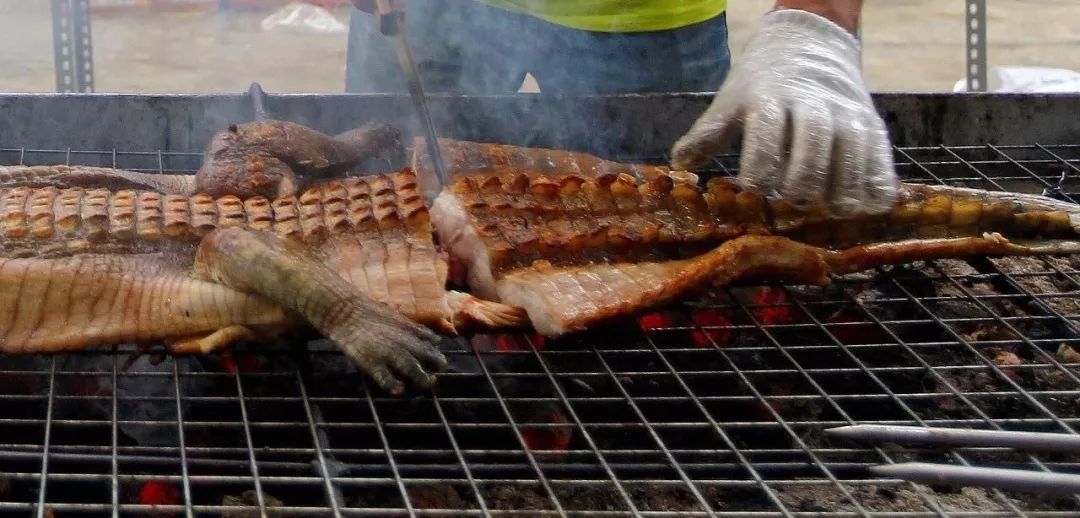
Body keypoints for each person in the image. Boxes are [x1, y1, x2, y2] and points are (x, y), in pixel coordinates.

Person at [345, 1, 897, 216]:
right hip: (420, 13)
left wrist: (814, 19)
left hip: (643, 19)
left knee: (664, 216)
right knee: (382, 199)